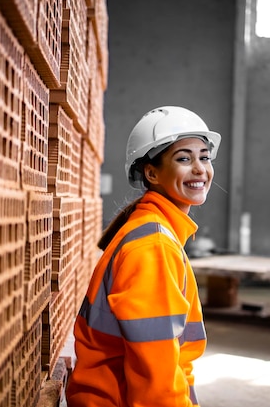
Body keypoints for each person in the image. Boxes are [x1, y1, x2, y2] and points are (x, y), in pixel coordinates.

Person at [66, 106, 221, 407]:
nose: (200, 169)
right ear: (152, 172)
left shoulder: (152, 231)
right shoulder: (153, 247)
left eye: (204, 156)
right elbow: (155, 377)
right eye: (183, 158)